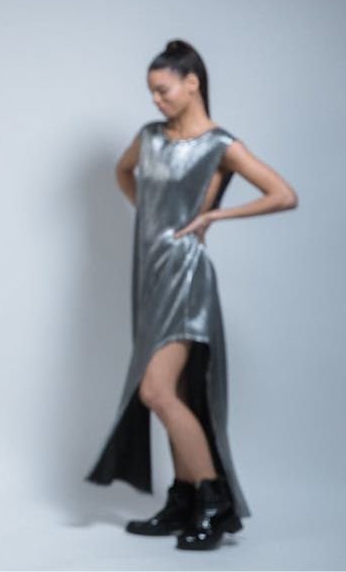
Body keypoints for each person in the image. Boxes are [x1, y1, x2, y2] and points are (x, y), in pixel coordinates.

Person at [86, 40, 297, 550]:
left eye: (162, 90)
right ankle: (182, 500)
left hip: (186, 276)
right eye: (150, 92)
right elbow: (122, 171)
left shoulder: (220, 144)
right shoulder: (149, 138)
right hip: (150, 273)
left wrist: (212, 216)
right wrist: (150, 221)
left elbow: (283, 195)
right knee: (174, 394)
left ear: (191, 83)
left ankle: (213, 501)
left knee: (155, 390)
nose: (155, 100)